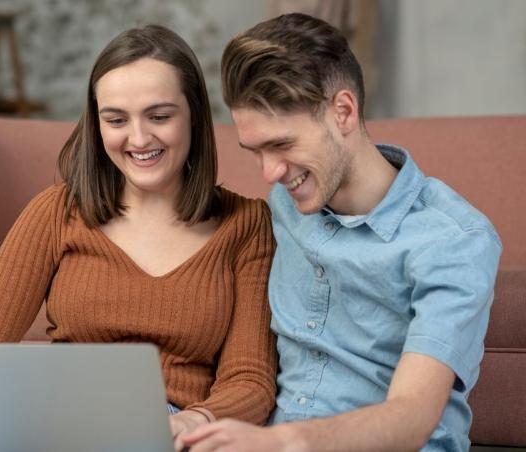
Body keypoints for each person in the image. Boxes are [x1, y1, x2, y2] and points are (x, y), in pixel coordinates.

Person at [0, 25, 277, 451]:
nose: (138, 139)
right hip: (64, 425)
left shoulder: (246, 225)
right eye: (116, 119)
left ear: (194, 114)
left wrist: (197, 419)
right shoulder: (57, 212)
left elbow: (251, 379)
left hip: (182, 435)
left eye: (159, 116)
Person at [183, 13, 501, 452]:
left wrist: (280, 443)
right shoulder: (284, 204)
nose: (270, 172)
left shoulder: (454, 240)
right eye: (255, 151)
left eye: (281, 145)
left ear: (344, 112)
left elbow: (412, 417)